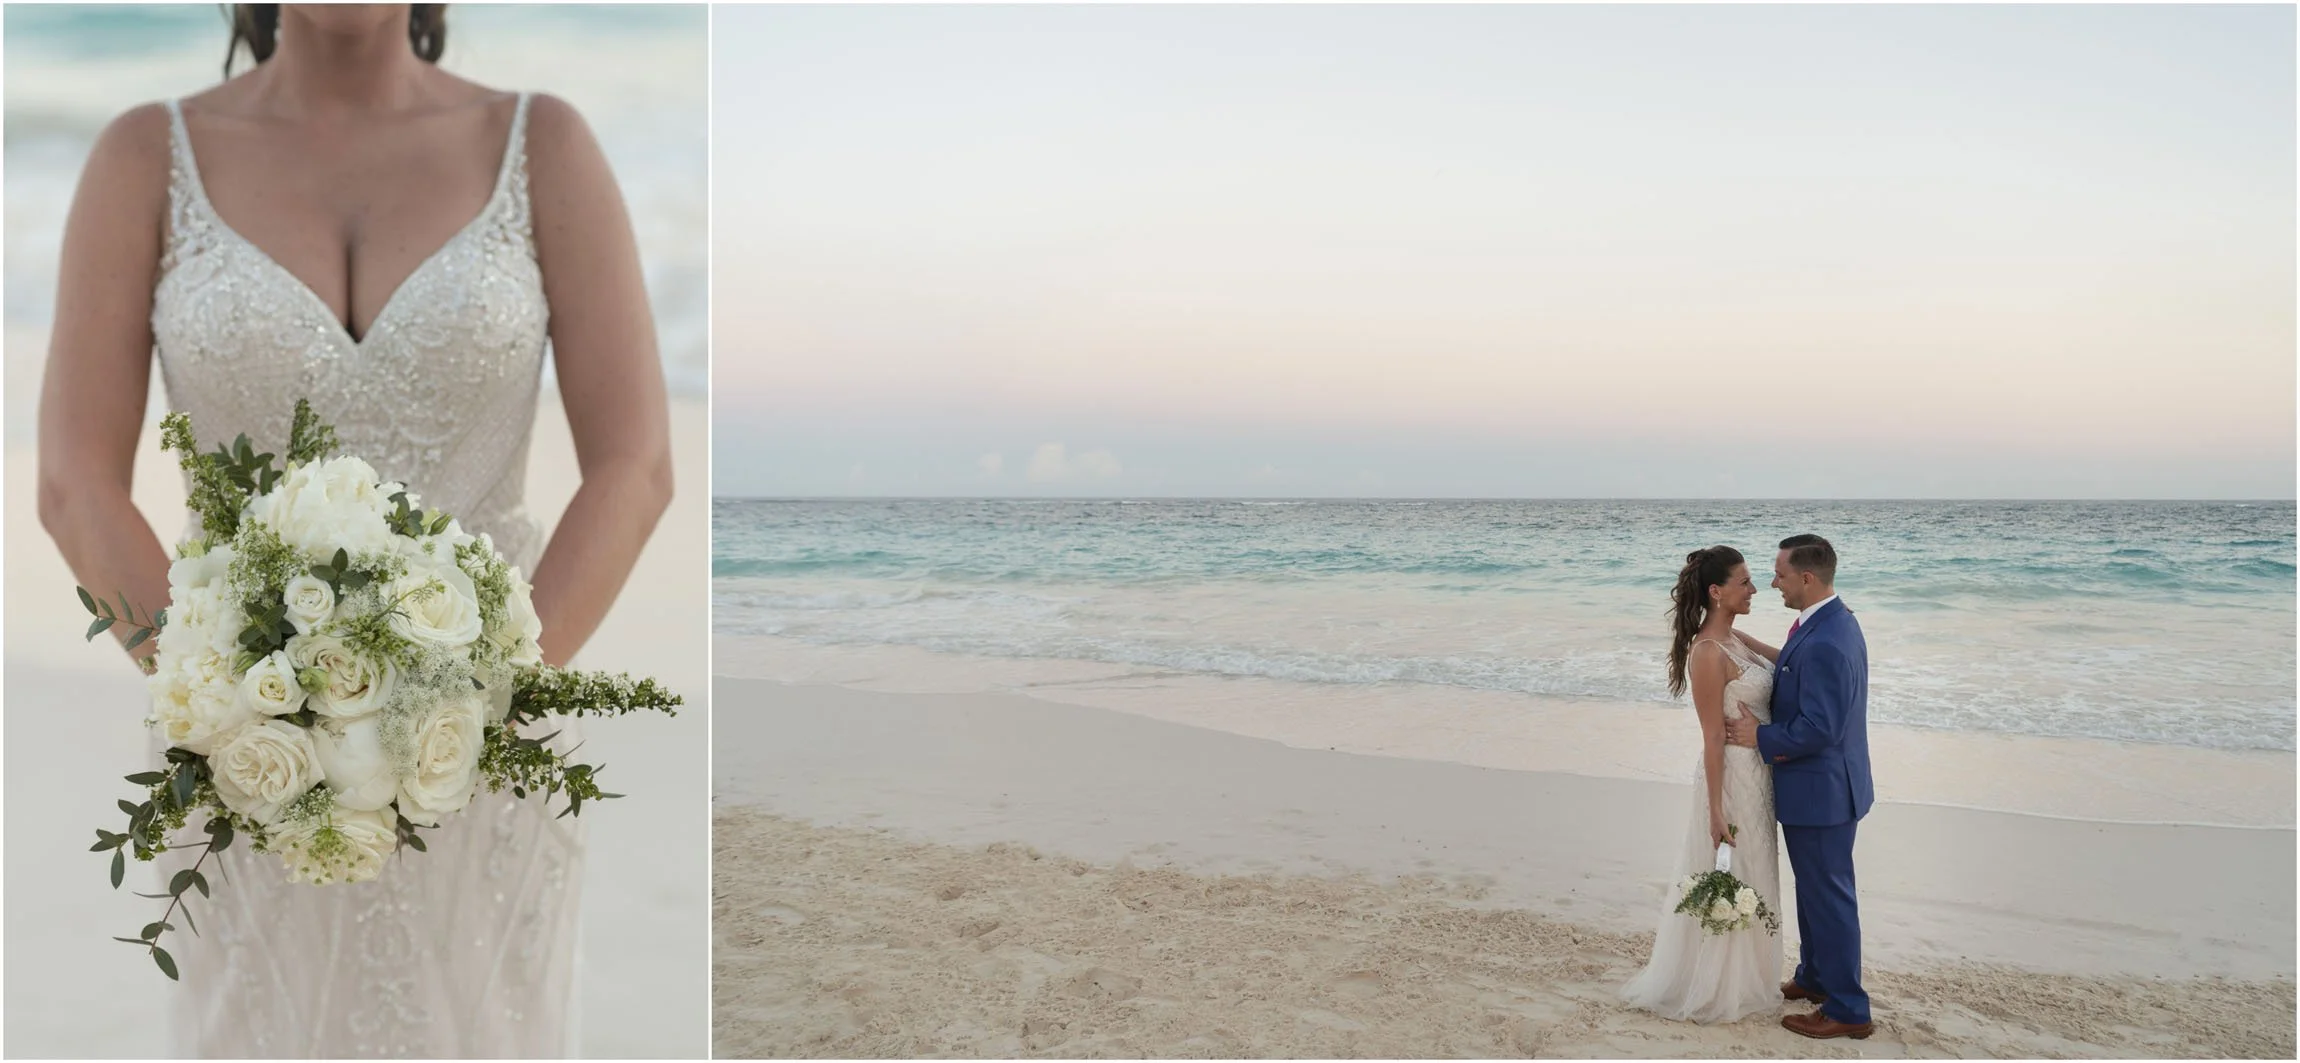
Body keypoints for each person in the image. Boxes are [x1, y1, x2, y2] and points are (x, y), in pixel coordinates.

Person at [37, 4, 672, 1054]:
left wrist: (477, 703)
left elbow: (635, 467)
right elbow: (75, 482)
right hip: (241, 763)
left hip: (490, 745)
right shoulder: (145, 156)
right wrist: (235, 708)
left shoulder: (541, 143)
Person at [1620, 545, 1786, 1023]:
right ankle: (1718, 986)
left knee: (1756, 870)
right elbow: (1713, 738)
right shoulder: (1708, 653)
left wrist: (1831, 623)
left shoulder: (1740, 640)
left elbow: (1796, 659)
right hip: (1731, 778)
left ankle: (1751, 976)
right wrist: (1715, 811)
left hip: (1759, 775)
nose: (1754, 589)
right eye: (1745, 582)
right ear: (1717, 592)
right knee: (1729, 873)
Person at [1723, 533, 1875, 1040]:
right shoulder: (1828, 621)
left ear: (1806, 578)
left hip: (1824, 792)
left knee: (1829, 897)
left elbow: (1821, 727)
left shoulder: (1829, 639)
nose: (1773, 583)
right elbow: (1791, 661)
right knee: (1814, 893)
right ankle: (1814, 976)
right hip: (1825, 787)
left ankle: (1849, 1008)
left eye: (1781, 575)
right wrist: (1738, 642)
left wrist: (1758, 735)